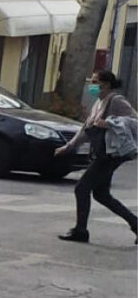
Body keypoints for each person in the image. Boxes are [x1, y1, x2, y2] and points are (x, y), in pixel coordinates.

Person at [55, 70, 138, 245]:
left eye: (95, 81)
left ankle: (81, 230)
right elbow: (86, 130)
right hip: (102, 153)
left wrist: (109, 123)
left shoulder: (116, 101)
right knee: (101, 194)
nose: (92, 85)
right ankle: (136, 224)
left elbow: (134, 121)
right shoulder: (98, 103)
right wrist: (69, 147)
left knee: (82, 188)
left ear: (106, 84)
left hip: (110, 155)